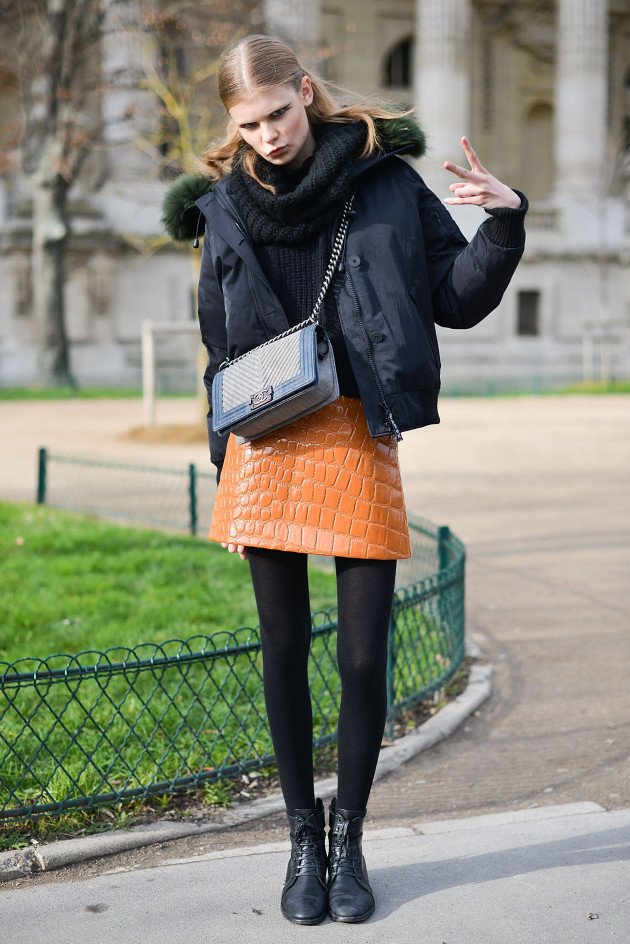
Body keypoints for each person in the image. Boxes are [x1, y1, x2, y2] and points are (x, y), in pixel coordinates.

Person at [162, 33, 527, 926]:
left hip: (355, 436)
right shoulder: (222, 210)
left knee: (365, 658)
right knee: (281, 652)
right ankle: (299, 840)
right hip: (265, 449)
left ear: (307, 93)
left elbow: (456, 297)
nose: (269, 138)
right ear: (233, 125)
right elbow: (218, 343)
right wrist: (225, 453)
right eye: (249, 125)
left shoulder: (387, 184)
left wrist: (506, 219)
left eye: (279, 114)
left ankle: (350, 839)